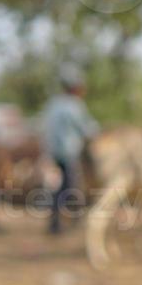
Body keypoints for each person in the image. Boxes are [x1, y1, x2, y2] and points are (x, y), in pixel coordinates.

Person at [41, 71, 99, 234]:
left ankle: (57, 221)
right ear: (75, 88)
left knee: (59, 186)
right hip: (69, 152)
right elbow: (86, 129)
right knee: (71, 184)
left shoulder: (53, 104)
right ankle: (72, 219)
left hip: (52, 153)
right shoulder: (74, 105)